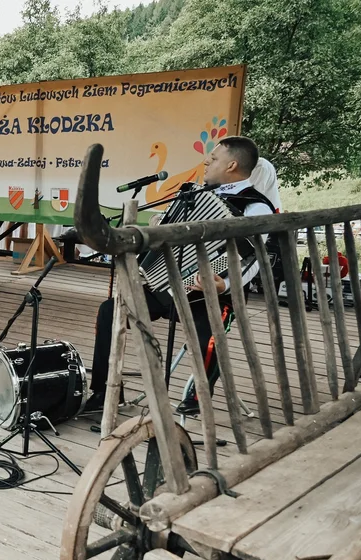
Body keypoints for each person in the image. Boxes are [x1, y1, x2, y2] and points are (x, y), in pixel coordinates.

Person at [87, 135, 276, 414]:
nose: (206, 162)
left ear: (232, 165)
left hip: (207, 292)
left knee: (207, 336)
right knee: (109, 312)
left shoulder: (255, 206)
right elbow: (167, 231)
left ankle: (197, 398)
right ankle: (103, 391)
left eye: (213, 159)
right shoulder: (193, 195)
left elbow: (254, 257)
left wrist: (224, 283)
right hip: (165, 286)